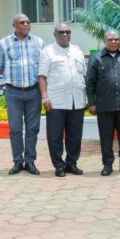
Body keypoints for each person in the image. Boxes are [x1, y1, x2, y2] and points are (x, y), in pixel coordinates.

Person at [0, 13, 44, 176]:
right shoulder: (3, 43)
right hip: (13, 92)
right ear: (14, 25)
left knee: (32, 128)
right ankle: (17, 161)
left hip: (33, 92)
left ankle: (30, 161)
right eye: (22, 22)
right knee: (15, 129)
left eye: (28, 22)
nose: (26, 25)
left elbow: (44, 67)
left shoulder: (38, 42)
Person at [86, 30, 120, 176]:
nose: (114, 42)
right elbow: (90, 83)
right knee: (106, 136)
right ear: (105, 40)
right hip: (104, 105)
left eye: (116, 39)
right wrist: (91, 103)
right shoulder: (96, 58)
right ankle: (107, 164)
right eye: (110, 39)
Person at [39, 22, 87, 177]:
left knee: (75, 135)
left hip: (77, 101)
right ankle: (59, 165)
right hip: (56, 101)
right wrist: (44, 98)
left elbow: (84, 74)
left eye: (67, 32)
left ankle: (71, 164)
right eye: (61, 32)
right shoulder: (48, 51)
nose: (65, 35)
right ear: (55, 34)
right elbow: (42, 76)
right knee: (55, 136)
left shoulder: (77, 50)